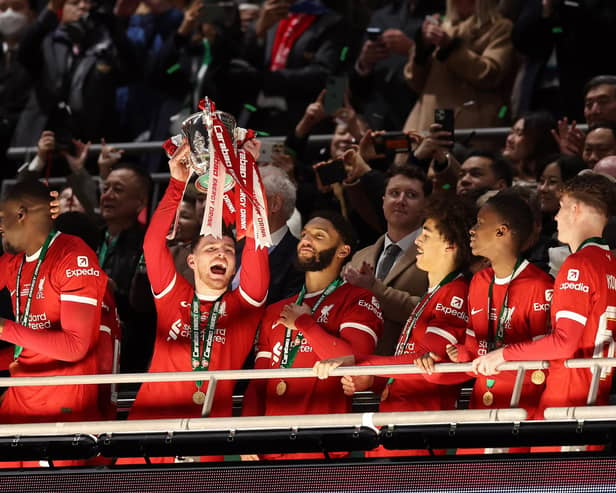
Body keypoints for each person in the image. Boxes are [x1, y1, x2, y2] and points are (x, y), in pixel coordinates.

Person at [124, 141, 270, 462]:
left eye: (229, 251)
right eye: (210, 249)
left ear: (235, 265)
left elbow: (257, 238)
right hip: (147, 430)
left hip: (207, 438)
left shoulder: (244, 307)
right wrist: (177, 183)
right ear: (191, 261)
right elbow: (153, 245)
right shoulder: (172, 296)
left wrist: (249, 173)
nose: (221, 253)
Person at [315, 194, 475, 457]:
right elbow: (404, 371)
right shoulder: (434, 293)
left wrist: (360, 363)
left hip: (418, 431)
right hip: (397, 424)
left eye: (426, 234)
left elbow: (424, 364)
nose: (418, 241)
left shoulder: (454, 294)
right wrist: (371, 380)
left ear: (450, 245)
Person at [473, 174, 616, 426]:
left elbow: (563, 342)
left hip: (566, 400)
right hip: (596, 397)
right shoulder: (611, 264)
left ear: (576, 209)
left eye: (560, 208)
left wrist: (503, 354)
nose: (556, 217)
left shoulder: (579, 264)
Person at [242, 209, 383, 460]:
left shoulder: (358, 299)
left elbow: (356, 362)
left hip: (323, 446)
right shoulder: (276, 309)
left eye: (319, 235)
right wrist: (247, 431)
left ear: (343, 251)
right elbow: (258, 381)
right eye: (305, 234)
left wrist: (305, 324)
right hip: (270, 446)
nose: (306, 239)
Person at [429, 190, 553, 454]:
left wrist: (495, 361)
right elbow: (474, 349)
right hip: (479, 403)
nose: (472, 230)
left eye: (480, 223)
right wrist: (461, 355)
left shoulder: (539, 285)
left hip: (520, 408)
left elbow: (545, 361)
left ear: (502, 231)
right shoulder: (479, 281)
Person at [0, 180, 108, 426]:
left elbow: (74, 346)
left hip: (62, 407)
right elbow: (30, 346)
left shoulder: (73, 255)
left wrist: (4, 329)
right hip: (20, 397)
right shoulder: (14, 260)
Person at [344, 164, 429, 355]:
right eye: (394, 193)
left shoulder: (437, 254)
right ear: (383, 201)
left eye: (411, 195)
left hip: (403, 368)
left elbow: (431, 312)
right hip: (354, 366)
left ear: (425, 207)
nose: (400, 201)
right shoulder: (360, 256)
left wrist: (374, 289)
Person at [402, 0, 515, 132]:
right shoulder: (440, 24)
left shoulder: (500, 28)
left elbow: (489, 75)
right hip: (426, 119)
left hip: (470, 122)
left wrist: (450, 48)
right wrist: (423, 48)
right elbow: (414, 82)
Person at [233, 164, 303, 304]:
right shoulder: (236, 245)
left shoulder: (299, 257)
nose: (241, 204)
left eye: (250, 197)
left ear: (275, 204)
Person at [502, 112, 559, 187]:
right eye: (511, 132)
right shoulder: (502, 176)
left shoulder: (550, 184)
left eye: (519, 133)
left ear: (538, 140)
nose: (509, 139)